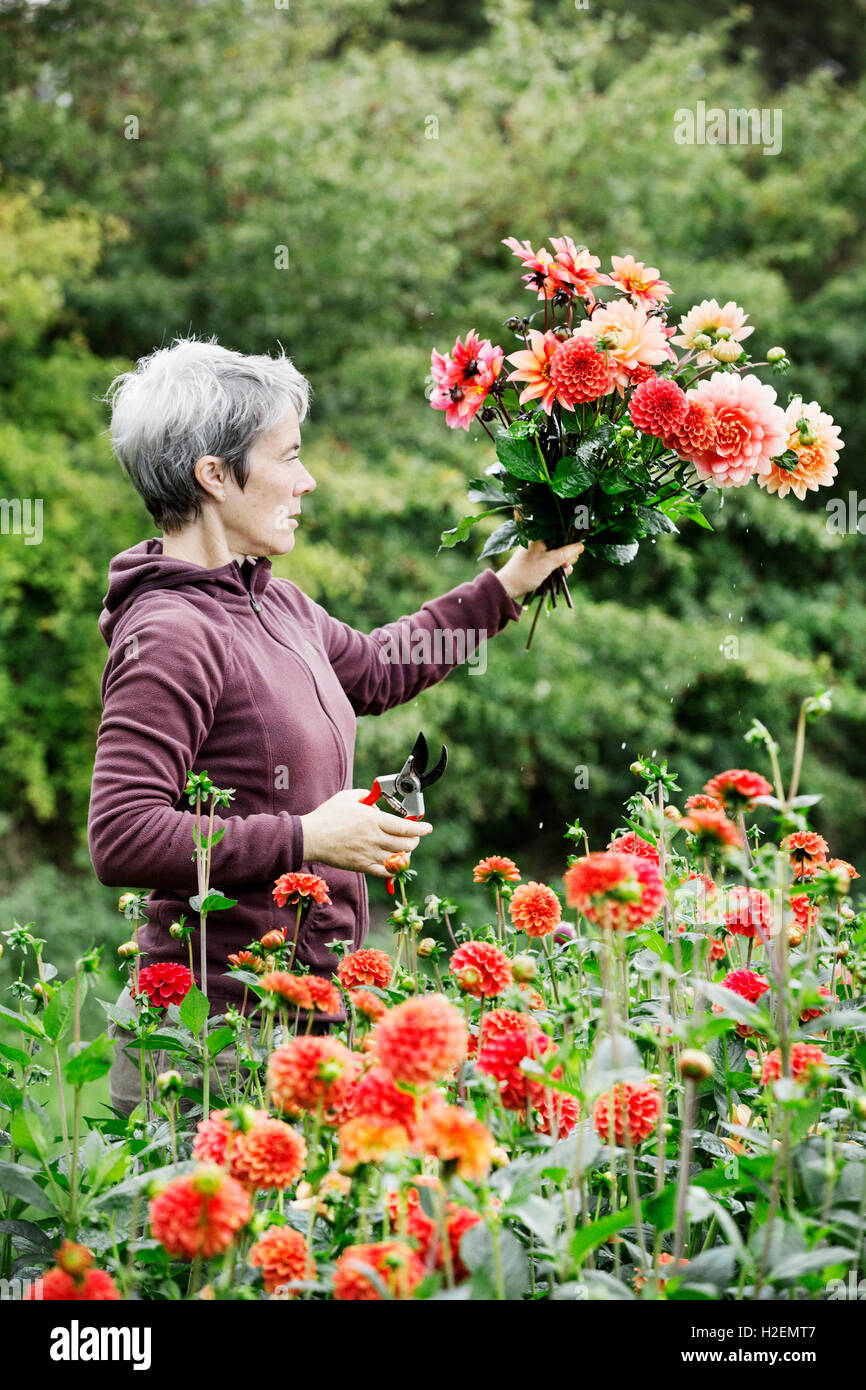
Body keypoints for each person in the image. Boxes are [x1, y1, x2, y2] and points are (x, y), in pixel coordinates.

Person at [87, 336, 584, 1114]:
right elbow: (122, 835)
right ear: (214, 476)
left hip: (311, 1016)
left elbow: (380, 668)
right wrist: (307, 839)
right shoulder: (170, 633)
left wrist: (510, 582)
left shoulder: (277, 604)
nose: (306, 480)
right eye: (287, 457)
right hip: (214, 1043)